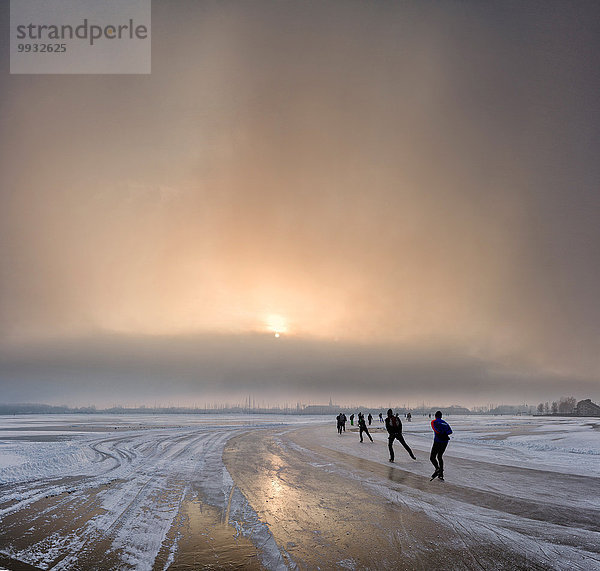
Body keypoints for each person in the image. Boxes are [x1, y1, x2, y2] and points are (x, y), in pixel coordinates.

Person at [430, 410, 452, 481]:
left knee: (432, 457)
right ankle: (441, 474)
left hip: (438, 441)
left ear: (435, 416)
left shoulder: (434, 422)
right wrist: (445, 433)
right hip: (445, 441)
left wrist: (441, 433)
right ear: (441, 416)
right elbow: (450, 431)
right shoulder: (445, 423)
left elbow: (436, 430)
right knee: (439, 456)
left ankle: (438, 469)